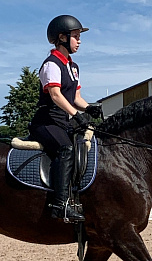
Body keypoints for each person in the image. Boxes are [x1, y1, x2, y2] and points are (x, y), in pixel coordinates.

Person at [29, 15, 102, 222]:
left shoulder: (73, 67)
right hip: (46, 122)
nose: (79, 41)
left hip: (63, 122)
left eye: (80, 37)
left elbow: (75, 97)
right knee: (66, 149)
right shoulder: (51, 64)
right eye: (76, 37)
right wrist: (76, 115)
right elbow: (55, 95)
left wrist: (90, 108)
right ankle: (60, 205)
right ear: (62, 37)